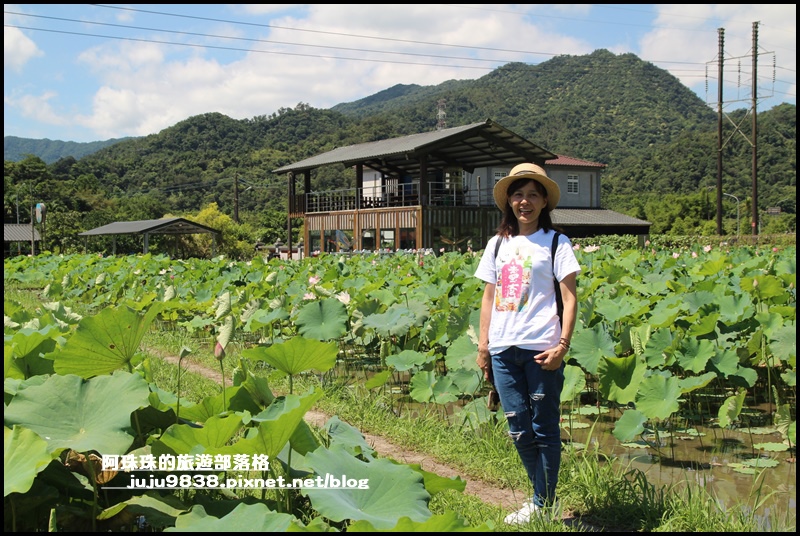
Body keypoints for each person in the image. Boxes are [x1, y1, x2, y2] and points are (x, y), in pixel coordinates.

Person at [474, 162, 580, 525]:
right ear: (509, 201)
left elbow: (570, 298)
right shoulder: (497, 244)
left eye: (533, 195)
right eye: (518, 194)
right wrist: (483, 346)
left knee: (544, 428)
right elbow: (489, 297)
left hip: (542, 347)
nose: (525, 201)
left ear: (544, 202)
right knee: (517, 427)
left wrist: (562, 345)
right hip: (503, 348)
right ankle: (542, 500)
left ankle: (541, 503)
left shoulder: (556, 242)